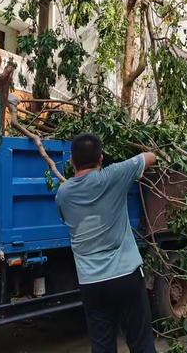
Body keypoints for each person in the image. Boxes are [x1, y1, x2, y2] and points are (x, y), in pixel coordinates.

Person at [55, 133, 157, 353]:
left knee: (102, 346)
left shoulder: (63, 194)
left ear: (71, 161)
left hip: (91, 282)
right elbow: (150, 157)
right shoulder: (113, 175)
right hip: (126, 276)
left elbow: (65, 218)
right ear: (101, 158)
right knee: (142, 344)